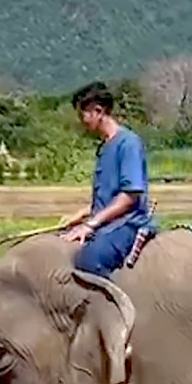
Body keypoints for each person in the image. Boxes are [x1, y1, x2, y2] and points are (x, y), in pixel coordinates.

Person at [59, 81, 158, 278]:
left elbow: (129, 197)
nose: (82, 121)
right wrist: (79, 216)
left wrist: (90, 225)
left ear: (98, 111)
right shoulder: (105, 146)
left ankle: (113, 307)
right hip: (108, 222)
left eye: (83, 115)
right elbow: (108, 195)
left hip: (128, 223)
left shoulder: (128, 143)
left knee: (89, 261)